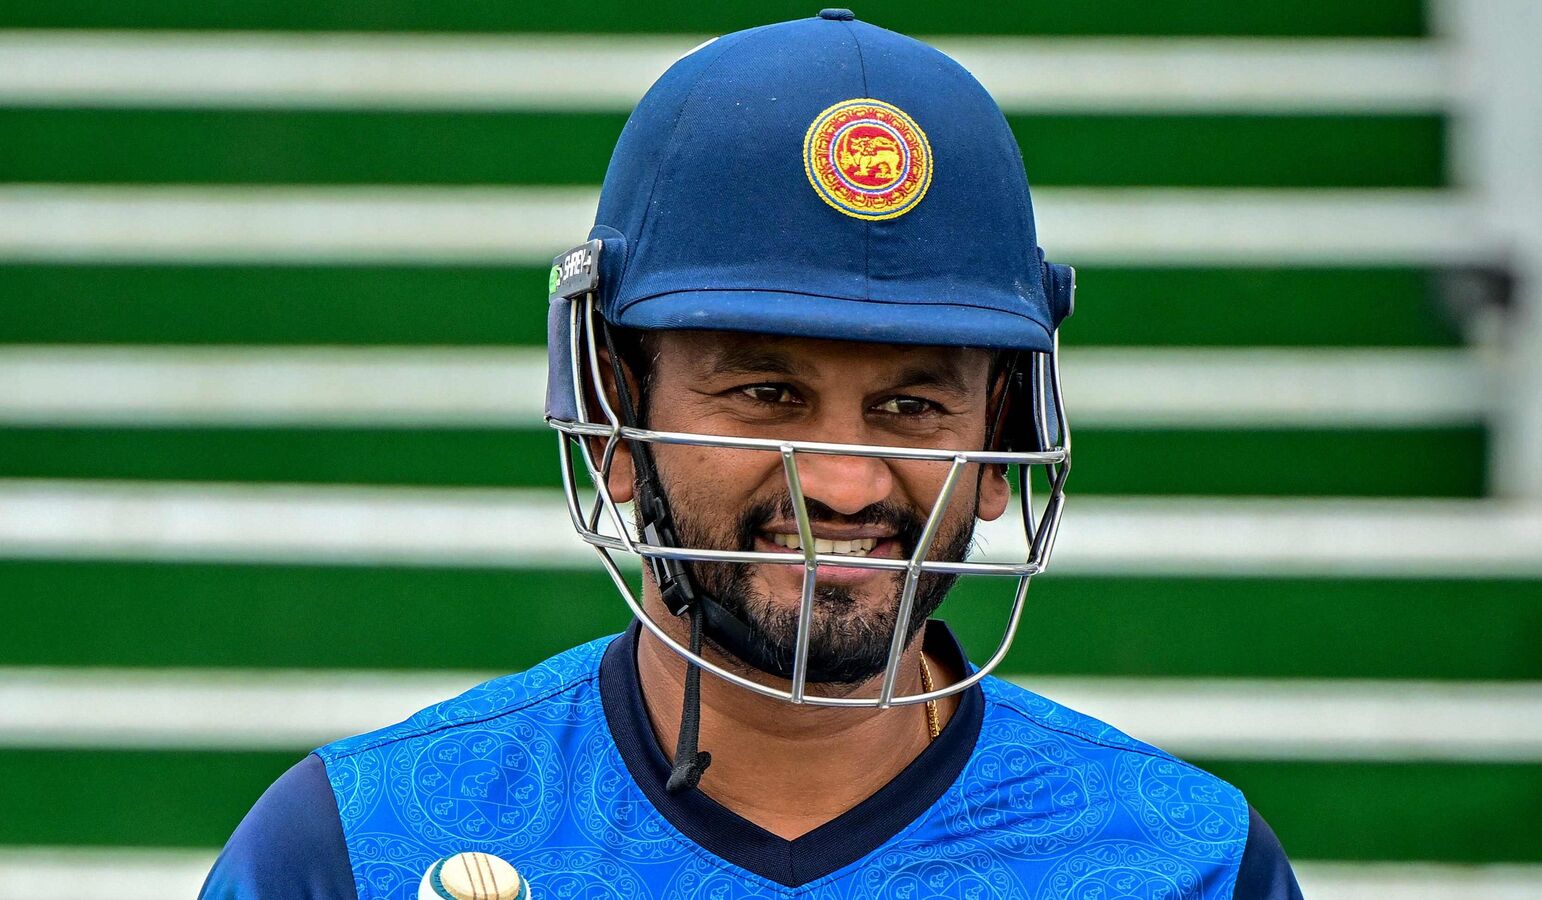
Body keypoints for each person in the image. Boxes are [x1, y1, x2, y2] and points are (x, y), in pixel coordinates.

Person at [202, 10, 1302, 899]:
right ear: (612, 406)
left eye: (912, 406)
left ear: (1003, 432)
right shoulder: (360, 849)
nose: (841, 482)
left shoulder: (1184, 865)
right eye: (766, 394)